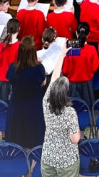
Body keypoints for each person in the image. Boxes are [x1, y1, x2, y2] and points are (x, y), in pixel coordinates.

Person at [41, 49, 81, 177]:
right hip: (67, 162)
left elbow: (54, 78)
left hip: (48, 157)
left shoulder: (45, 103)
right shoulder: (70, 112)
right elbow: (75, 139)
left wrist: (62, 55)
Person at [6, 35, 47, 148]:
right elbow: (43, 83)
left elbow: (10, 80)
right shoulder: (39, 68)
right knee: (33, 136)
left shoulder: (12, 68)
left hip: (17, 105)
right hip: (33, 105)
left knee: (19, 136)